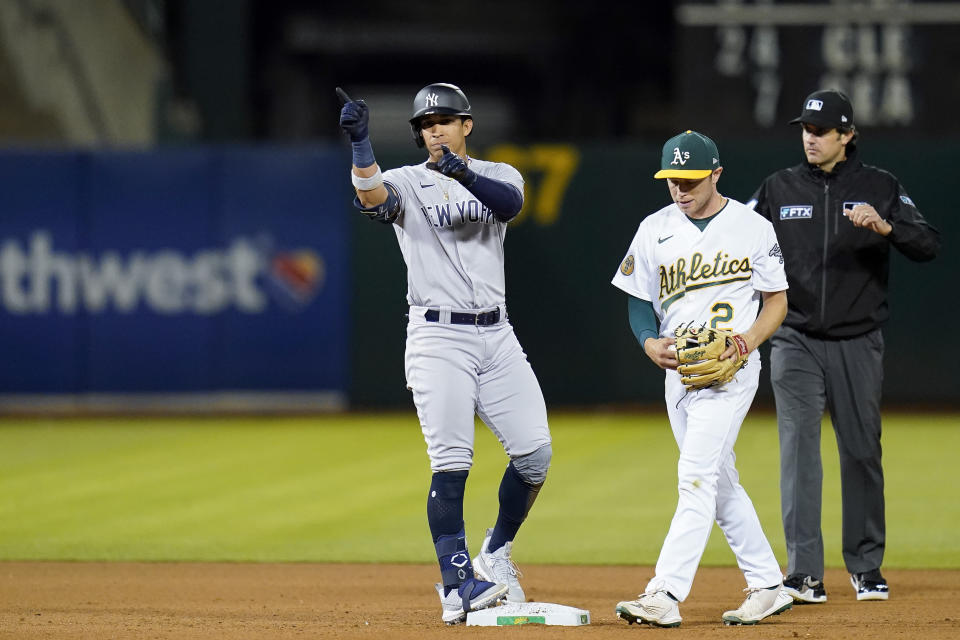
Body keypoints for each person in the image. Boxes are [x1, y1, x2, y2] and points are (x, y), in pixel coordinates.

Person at [337, 83, 552, 625]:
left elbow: (510, 205)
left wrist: (462, 173)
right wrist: (362, 147)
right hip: (438, 337)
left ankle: (495, 553)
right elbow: (372, 199)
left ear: (467, 125)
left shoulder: (501, 173)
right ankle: (457, 585)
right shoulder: (407, 181)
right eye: (426, 124)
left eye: (445, 120)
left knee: (535, 454)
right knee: (452, 461)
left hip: (498, 336)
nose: (434, 129)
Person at [748, 90, 940, 603]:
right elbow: (734, 238)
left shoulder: (879, 186)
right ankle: (805, 572)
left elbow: (928, 243)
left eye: (822, 130)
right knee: (798, 453)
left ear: (847, 135)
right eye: (806, 129)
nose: (810, 137)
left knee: (860, 452)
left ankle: (865, 565)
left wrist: (887, 226)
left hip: (858, 339)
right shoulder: (777, 187)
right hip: (795, 338)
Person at [611, 130, 793, 627]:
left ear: (716, 174)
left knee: (694, 478)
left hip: (731, 371)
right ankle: (769, 584)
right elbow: (637, 298)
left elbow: (776, 300)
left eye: (690, 180)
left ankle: (664, 593)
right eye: (672, 180)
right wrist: (648, 341)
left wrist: (745, 343)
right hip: (680, 373)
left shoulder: (751, 226)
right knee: (719, 481)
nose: (680, 189)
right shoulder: (655, 228)